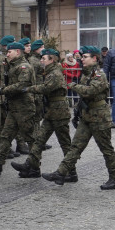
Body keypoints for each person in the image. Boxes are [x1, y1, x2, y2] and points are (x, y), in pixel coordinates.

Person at [43, 45, 115, 189]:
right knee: (75, 147)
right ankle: (61, 173)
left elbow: (90, 91)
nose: (82, 59)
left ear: (95, 59)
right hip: (87, 117)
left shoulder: (99, 75)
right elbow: (84, 98)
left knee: (106, 149)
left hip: (99, 118)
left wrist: (73, 86)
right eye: (82, 57)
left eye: (85, 57)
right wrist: (77, 113)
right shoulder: (86, 74)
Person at [12, 47, 71, 178]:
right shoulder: (50, 72)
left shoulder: (55, 73)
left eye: (44, 59)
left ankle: (71, 172)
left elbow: (46, 88)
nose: (41, 61)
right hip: (51, 112)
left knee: (65, 143)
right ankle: (31, 165)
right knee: (39, 140)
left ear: (52, 60)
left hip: (60, 112)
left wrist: (28, 89)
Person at [0, 41, 37, 175]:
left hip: (24, 108)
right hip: (14, 107)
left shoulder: (24, 67)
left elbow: (21, 85)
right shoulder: (13, 66)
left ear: (17, 52)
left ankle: (35, 167)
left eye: (9, 52)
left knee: (30, 138)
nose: (7, 54)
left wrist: (2, 90)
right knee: (6, 136)